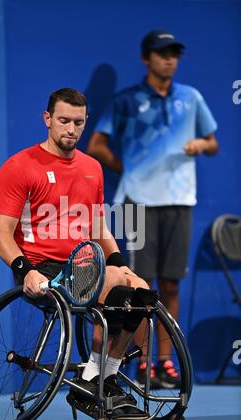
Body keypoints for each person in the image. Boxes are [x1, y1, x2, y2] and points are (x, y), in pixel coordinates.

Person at [0, 87, 151, 417]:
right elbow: (0, 236)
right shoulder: (19, 167)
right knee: (110, 282)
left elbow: (98, 229)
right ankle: (94, 378)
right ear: (47, 119)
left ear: (85, 121)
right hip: (44, 271)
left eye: (79, 123)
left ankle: (102, 376)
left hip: (84, 265)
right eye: (63, 120)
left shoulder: (92, 167)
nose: (71, 129)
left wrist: (123, 265)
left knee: (141, 290)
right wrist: (25, 270)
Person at [87, 30, 219, 388]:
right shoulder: (127, 101)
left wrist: (201, 145)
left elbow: (213, 142)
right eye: (162, 54)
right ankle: (144, 364)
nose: (169, 59)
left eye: (174, 53)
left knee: (171, 285)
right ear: (147, 59)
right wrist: (129, 169)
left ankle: (165, 362)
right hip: (138, 204)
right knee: (141, 287)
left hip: (179, 202)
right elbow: (96, 145)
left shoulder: (191, 98)